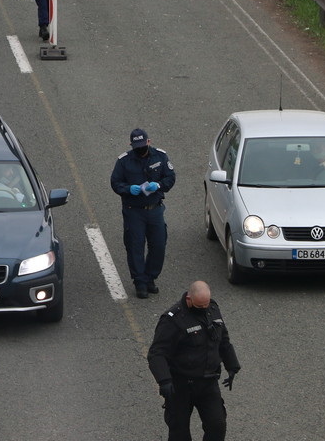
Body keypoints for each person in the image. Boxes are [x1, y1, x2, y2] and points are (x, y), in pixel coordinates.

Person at [148, 280, 241, 441]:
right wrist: (164, 380)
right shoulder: (173, 320)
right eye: (200, 307)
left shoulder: (212, 308)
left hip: (208, 382)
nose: (204, 309)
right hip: (181, 385)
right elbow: (157, 353)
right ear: (189, 299)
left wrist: (232, 365)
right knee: (179, 432)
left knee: (217, 426)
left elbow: (223, 340)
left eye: (206, 305)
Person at [110, 128, 175, 299]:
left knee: (159, 245)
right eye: (136, 146)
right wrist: (128, 189)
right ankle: (140, 282)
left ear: (148, 141)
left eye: (142, 145)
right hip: (134, 211)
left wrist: (159, 185)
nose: (140, 149)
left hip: (154, 209)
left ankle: (150, 277)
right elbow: (115, 183)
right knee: (135, 246)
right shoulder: (124, 161)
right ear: (131, 145)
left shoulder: (160, 157)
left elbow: (170, 177)